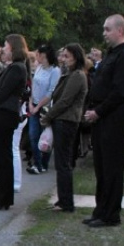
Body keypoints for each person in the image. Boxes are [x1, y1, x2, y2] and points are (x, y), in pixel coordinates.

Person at [83, 14, 124, 228]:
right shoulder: (111, 55)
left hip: (114, 117)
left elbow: (120, 92)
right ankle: (100, 210)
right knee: (101, 166)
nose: (104, 33)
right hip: (101, 117)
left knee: (112, 166)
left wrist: (98, 111)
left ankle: (111, 214)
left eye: (107, 29)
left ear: (120, 31)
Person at [0, 34, 29, 211]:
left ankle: (3, 199)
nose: (3, 49)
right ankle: (2, 198)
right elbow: (2, 89)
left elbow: (5, 92)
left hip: (6, 114)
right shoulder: (13, 67)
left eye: (5, 45)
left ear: (14, 48)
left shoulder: (17, 68)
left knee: (3, 156)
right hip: (3, 112)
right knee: (0, 155)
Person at [42, 43, 88, 213]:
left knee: (64, 163)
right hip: (62, 120)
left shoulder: (77, 76)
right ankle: (63, 199)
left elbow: (65, 101)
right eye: (62, 56)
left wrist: (48, 116)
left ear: (75, 57)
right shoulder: (69, 74)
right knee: (61, 162)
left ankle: (66, 202)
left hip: (66, 121)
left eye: (66, 56)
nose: (62, 59)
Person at [26, 45, 60, 175]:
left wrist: (38, 106)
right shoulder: (39, 68)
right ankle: (37, 163)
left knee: (45, 136)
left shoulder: (55, 70)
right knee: (33, 135)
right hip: (33, 103)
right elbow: (33, 85)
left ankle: (43, 163)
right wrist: (30, 102)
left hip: (45, 107)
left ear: (44, 55)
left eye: (38, 54)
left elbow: (51, 91)